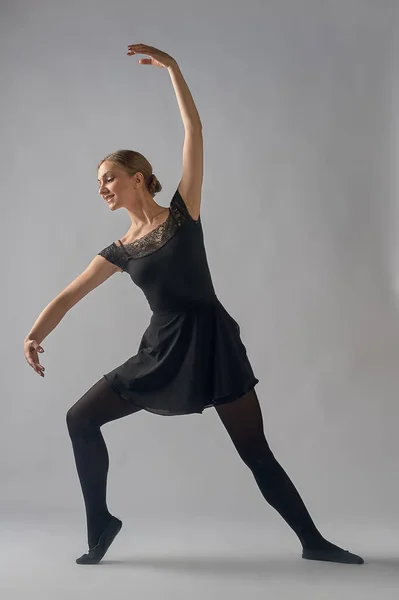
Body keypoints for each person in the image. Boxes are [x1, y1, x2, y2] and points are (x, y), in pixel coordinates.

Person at [24, 44, 364, 567]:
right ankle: (101, 527)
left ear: (138, 177)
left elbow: (194, 134)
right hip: (161, 351)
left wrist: (174, 72)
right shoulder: (119, 250)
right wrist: (34, 334)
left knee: (255, 450)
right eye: (98, 184)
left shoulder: (184, 212)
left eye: (109, 177)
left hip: (212, 343)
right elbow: (69, 294)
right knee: (80, 419)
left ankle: (313, 541)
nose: (103, 188)